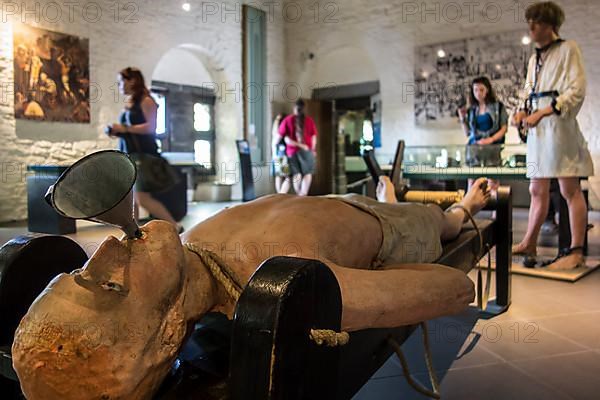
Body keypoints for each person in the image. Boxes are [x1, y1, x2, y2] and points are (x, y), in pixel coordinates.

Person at [12, 175, 491, 400]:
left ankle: (388, 191)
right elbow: (454, 287)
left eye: (82, 272)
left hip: (333, 201)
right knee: (438, 218)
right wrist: (364, 284)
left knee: (375, 196)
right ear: (164, 335)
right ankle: (458, 205)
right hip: (386, 224)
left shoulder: (191, 248)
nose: (106, 251)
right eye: (111, 286)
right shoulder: (279, 281)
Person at [511, 2, 594, 270]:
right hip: (538, 132)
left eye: (538, 21)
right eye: (530, 21)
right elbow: (527, 91)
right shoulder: (536, 59)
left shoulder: (569, 49)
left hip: (559, 130)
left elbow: (576, 90)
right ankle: (530, 241)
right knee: (537, 188)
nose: (532, 27)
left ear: (551, 25)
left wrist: (544, 112)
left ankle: (576, 250)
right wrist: (521, 112)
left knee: (569, 190)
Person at [106, 67, 182, 232]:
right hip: (129, 155)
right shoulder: (130, 104)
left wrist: (125, 128)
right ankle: (133, 233)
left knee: (141, 197)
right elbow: (132, 129)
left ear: (132, 80)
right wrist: (117, 131)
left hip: (143, 156)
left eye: (121, 81)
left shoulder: (147, 101)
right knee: (130, 198)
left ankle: (176, 226)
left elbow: (151, 128)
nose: (119, 85)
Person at [458, 76, 508, 191]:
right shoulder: (472, 109)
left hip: (492, 148)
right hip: (475, 149)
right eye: (475, 90)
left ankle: (495, 207)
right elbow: (468, 133)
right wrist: (462, 118)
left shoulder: (498, 107)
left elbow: (504, 128)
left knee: (493, 180)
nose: (478, 93)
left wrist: (490, 140)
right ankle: (470, 207)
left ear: (487, 90)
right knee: (472, 180)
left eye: (481, 90)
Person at [275, 99, 318, 196]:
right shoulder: (309, 121)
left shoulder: (288, 120)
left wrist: (274, 149)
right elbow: (314, 138)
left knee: (296, 174)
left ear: (294, 108)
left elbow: (277, 138)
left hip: (292, 153)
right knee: (307, 173)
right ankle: (303, 194)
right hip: (307, 151)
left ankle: (298, 195)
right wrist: (313, 149)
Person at [270, 113, 291, 193]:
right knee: (288, 177)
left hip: (276, 155)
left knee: (278, 176)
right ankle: (281, 194)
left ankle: (279, 194)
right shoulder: (283, 131)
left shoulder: (274, 131)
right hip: (283, 155)